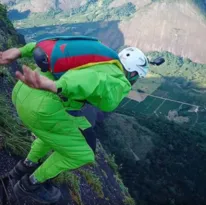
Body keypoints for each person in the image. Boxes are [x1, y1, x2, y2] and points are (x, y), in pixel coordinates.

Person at [0, 35, 150, 203]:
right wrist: (54, 86)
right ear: (133, 74)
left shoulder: (101, 54)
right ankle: (29, 186)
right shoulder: (120, 81)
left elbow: (50, 46)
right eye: (137, 78)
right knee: (83, 153)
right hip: (41, 105)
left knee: (62, 130)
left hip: (21, 91)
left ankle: (21, 169)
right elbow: (92, 82)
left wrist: (19, 51)